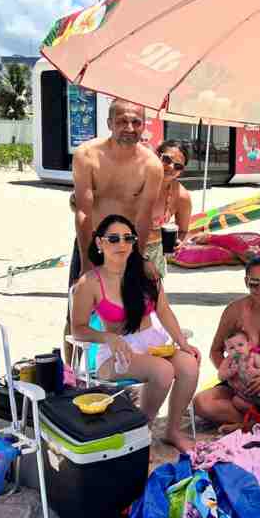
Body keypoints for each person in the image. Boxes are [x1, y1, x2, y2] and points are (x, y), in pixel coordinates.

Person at [70, 214, 201, 453]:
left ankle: (172, 431)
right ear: (99, 243)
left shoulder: (146, 272)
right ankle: (140, 432)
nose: (122, 244)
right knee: (163, 370)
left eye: (128, 238)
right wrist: (107, 336)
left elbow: (164, 311)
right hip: (115, 352)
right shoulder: (89, 282)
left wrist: (183, 344)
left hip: (153, 341)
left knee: (189, 364)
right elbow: (77, 329)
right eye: (113, 238)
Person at [65, 100, 163, 354]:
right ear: (109, 123)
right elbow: (84, 212)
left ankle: (124, 370)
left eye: (136, 122)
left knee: (132, 314)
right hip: (92, 243)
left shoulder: (151, 166)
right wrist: (88, 262)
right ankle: (72, 373)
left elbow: (143, 217)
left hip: (128, 248)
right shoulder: (87, 155)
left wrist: (138, 258)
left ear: (144, 126)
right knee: (77, 316)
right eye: (121, 121)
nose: (129, 127)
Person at [194, 256, 260, 426]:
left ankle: (253, 421)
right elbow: (215, 351)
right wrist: (232, 378)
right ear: (246, 282)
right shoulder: (234, 310)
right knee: (201, 403)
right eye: (254, 283)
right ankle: (259, 423)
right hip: (238, 377)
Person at [143, 141, 193, 279]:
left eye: (178, 166)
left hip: (155, 255)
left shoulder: (181, 196)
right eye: (167, 159)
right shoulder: (136, 181)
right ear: (156, 156)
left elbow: (183, 231)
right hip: (124, 248)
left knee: (151, 299)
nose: (171, 167)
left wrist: (179, 242)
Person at [218, 329, 260, 416]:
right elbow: (220, 376)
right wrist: (230, 372)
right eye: (232, 348)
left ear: (249, 345)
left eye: (240, 345)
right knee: (236, 401)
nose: (237, 349)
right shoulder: (228, 361)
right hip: (242, 395)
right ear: (227, 351)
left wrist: (256, 371)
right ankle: (255, 416)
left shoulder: (254, 357)